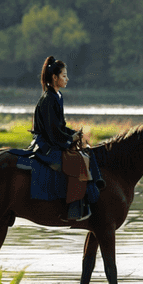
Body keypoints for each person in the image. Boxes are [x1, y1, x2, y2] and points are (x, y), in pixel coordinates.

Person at [30, 55, 91, 221]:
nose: (67, 79)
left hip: (54, 139)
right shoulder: (48, 99)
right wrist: (70, 139)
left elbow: (60, 126)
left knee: (84, 155)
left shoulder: (58, 96)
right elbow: (52, 131)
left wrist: (74, 134)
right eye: (64, 76)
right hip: (46, 144)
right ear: (54, 77)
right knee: (78, 161)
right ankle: (72, 208)